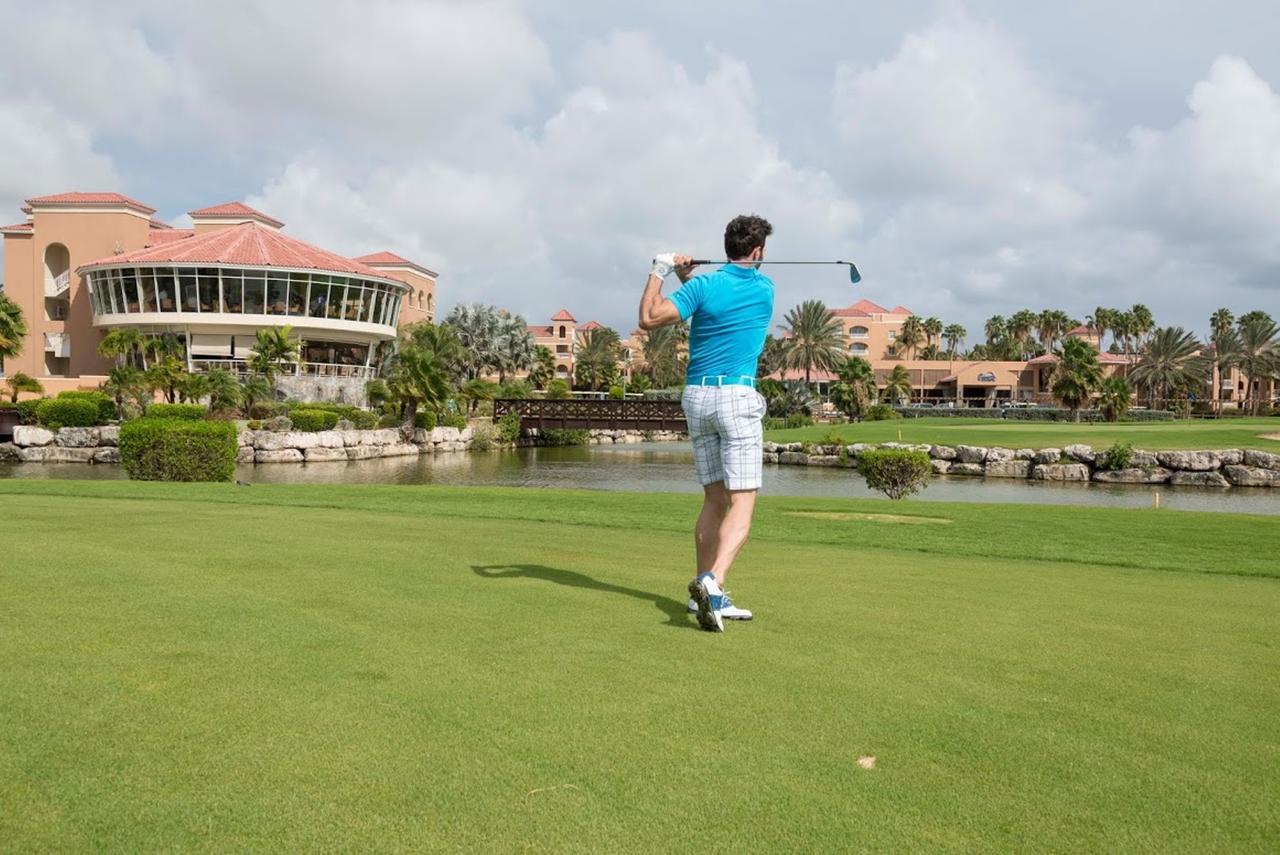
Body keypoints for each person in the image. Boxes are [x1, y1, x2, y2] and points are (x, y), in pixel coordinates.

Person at [638, 214, 774, 632]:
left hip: (697, 398)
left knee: (714, 499)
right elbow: (712, 306)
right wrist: (676, 276)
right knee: (743, 503)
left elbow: (651, 316)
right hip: (736, 396)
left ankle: (703, 597)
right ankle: (714, 584)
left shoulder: (703, 286)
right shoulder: (765, 288)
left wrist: (662, 273)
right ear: (756, 252)